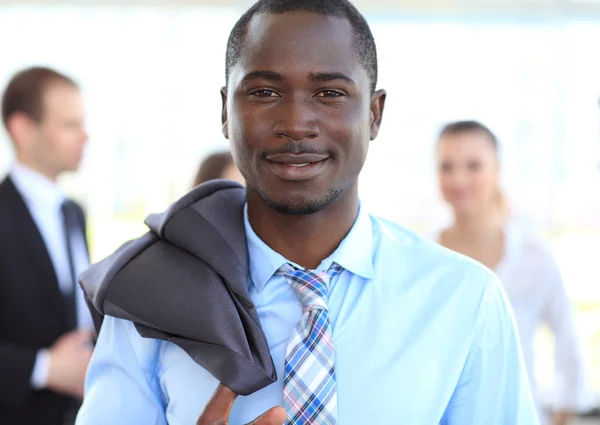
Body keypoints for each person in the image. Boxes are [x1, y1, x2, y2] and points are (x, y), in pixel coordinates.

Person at [75, 1, 540, 424]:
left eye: (330, 94)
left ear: (375, 114)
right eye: (263, 92)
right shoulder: (148, 298)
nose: (296, 123)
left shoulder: (464, 298)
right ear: (225, 112)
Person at [435, 120, 589, 425]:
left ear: (498, 170)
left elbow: (568, 345)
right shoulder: (424, 258)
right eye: (447, 166)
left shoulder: (535, 258)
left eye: (473, 165)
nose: (459, 178)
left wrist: (564, 412)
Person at [0, 67, 94, 425]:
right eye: (70, 124)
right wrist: (44, 368)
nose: (85, 136)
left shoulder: (73, 213)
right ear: (23, 129)